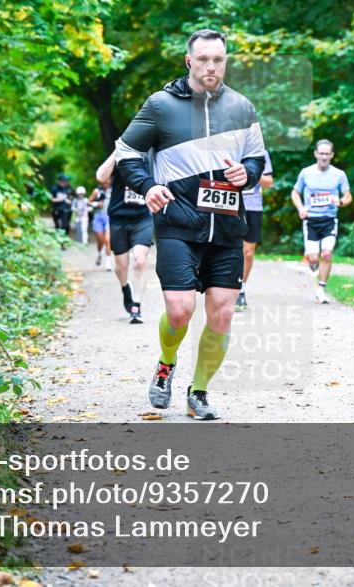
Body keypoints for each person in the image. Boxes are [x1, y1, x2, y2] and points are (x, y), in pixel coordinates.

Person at [115, 29, 267, 420]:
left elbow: (257, 160)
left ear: (225, 61)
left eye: (218, 59)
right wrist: (147, 186)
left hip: (228, 227)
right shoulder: (161, 105)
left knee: (222, 313)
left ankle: (198, 392)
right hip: (178, 223)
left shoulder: (243, 107)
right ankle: (166, 364)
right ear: (188, 61)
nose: (211, 66)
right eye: (203, 59)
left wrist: (245, 175)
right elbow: (126, 153)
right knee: (180, 310)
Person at [291, 140, 352, 304]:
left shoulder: (339, 174)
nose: (324, 157)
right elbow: (295, 192)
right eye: (321, 153)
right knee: (312, 258)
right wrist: (300, 208)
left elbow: (348, 197)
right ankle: (312, 264)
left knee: (326, 254)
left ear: (332, 155)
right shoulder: (306, 173)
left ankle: (321, 288)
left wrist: (339, 201)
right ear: (316, 154)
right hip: (311, 220)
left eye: (327, 154)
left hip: (329, 220)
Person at [95, 153, 153, 324]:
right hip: (119, 218)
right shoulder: (122, 158)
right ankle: (125, 287)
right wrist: (116, 151)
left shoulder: (152, 158)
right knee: (121, 267)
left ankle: (136, 307)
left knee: (140, 260)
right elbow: (100, 176)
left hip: (143, 218)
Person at [236, 149, 273, 311]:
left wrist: (250, 173)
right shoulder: (230, 149)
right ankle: (224, 287)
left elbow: (269, 183)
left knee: (248, 252)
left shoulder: (261, 153)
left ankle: (241, 289)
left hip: (253, 207)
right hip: (229, 205)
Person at [89, 181, 112, 270]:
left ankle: (108, 263)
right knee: (100, 240)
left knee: (107, 240)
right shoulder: (96, 191)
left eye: (108, 181)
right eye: (104, 182)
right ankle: (99, 253)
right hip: (98, 217)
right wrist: (96, 204)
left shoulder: (113, 191)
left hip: (109, 217)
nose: (106, 183)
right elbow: (88, 201)